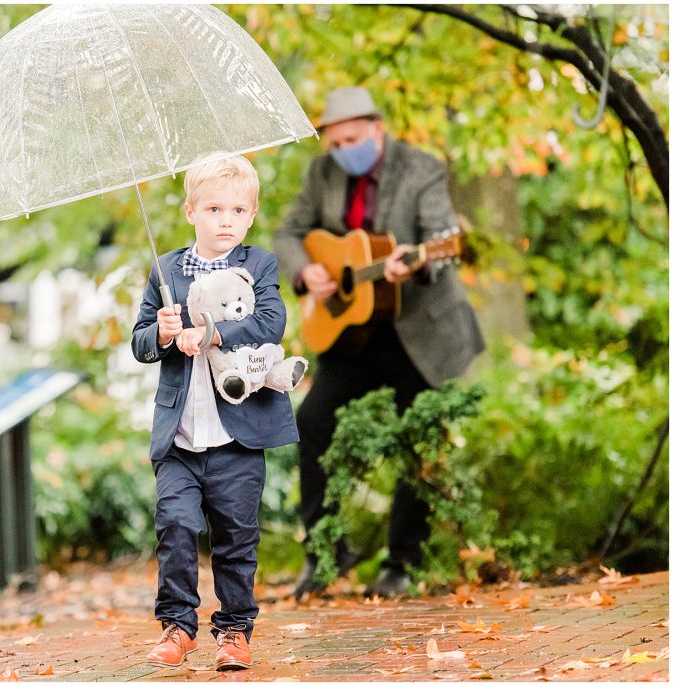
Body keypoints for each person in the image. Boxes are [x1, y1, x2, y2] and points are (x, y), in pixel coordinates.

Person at [273, 87, 485, 600]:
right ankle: (326, 555)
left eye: (352, 139)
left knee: (417, 441)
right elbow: (288, 233)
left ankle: (402, 563)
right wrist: (309, 271)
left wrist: (415, 262)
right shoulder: (322, 173)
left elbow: (443, 237)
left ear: (377, 128)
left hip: (420, 330)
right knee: (312, 421)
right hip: (352, 332)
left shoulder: (421, 169)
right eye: (335, 142)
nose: (344, 149)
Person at [131, 154, 299, 670]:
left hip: (237, 437)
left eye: (236, 210)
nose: (224, 220)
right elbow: (139, 343)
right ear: (190, 212)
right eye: (213, 209)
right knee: (175, 527)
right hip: (180, 439)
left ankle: (234, 631)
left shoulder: (259, 265)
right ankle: (178, 626)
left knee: (235, 536)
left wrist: (213, 332)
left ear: (250, 216)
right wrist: (160, 333)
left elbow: (271, 322)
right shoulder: (166, 272)